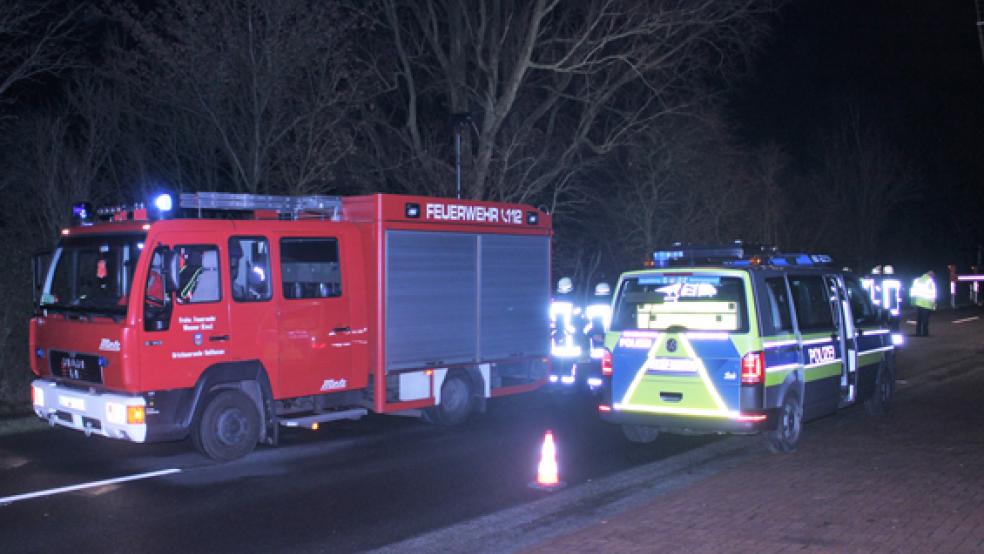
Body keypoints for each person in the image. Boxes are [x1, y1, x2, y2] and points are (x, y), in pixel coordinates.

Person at [910, 270, 937, 337]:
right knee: (925, 319)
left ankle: (918, 332)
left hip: (918, 302)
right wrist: (934, 304)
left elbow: (912, 291)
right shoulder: (930, 281)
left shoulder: (916, 280)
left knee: (918, 318)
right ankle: (925, 333)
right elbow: (933, 293)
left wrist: (912, 302)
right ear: (931, 276)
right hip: (926, 303)